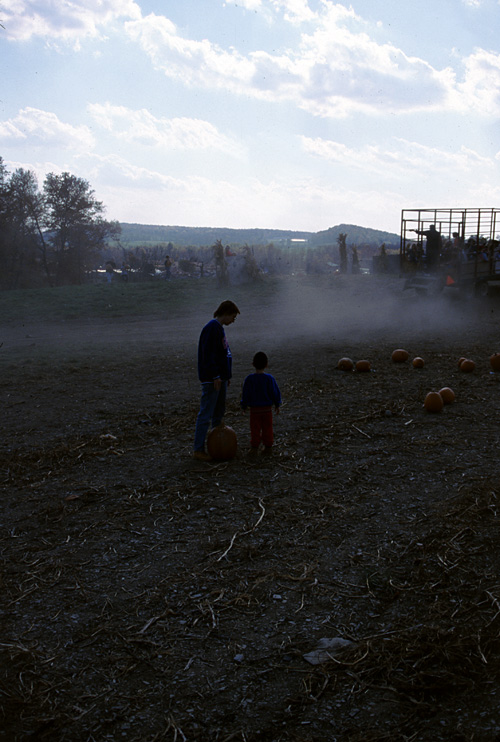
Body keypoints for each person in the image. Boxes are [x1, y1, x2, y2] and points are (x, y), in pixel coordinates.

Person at [193, 300, 240, 460]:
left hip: (220, 378)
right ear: (226, 313)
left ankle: (218, 446)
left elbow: (222, 354)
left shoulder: (219, 329)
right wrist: (215, 376)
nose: (233, 320)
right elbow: (208, 355)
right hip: (213, 379)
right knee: (206, 413)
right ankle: (198, 449)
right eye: (233, 316)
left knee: (218, 414)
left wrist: (226, 376)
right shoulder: (212, 328)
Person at [241, 351, 281, 455]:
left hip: (254, 410)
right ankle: (268, 447)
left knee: (255, 429)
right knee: (267, 427)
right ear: (266, 365)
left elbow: (246, 394)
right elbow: (275, 392)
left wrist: (243, 405)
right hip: (267, 409)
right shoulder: (269, 379)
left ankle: (254, 447)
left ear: (253, 364)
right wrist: (277, 404)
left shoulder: (249, 379)